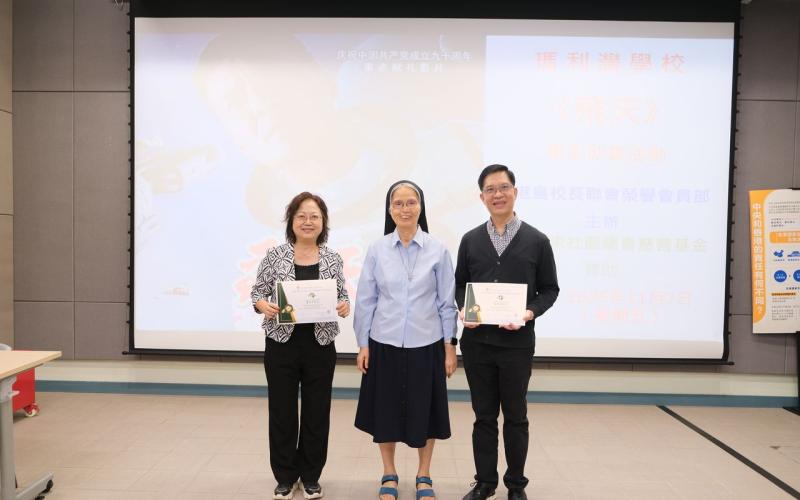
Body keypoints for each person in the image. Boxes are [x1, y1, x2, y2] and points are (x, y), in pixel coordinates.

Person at [455, 165, 560, 500]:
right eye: (490, 189)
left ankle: (516, 485)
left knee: (516, 416)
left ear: (515, 191)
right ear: (481, 197)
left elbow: (550, 289)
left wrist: (529, 313)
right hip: (478, 345)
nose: (497, 194)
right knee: (483, 417)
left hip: (516, 345)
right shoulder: (470, 240)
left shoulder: (537, 240)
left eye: (503, 187)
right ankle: (485, 483)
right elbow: (459, 285)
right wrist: (464, 308)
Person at [354, 180, 458, 500]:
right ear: (389, 210)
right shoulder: (377, 249)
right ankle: (389, 472)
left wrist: (450, 347)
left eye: (411, 202)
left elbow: (447, 302)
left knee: (426, 411)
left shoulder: (438, 250)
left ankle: (423, 474)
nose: (405, 209)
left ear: (420, 207)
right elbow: (366, 299)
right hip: (384, 342)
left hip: (426, 343)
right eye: (397, 203)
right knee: (385, 411)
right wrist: (363, 343)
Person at [251, 192, 350, 500]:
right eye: (301, 216)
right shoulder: (275, 255)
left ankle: (310, 476)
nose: (308, 222)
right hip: (281, 344)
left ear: (323, 222)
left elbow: (342, 295)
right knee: (282, 411)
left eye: (314, 216)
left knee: (317, 413)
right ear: (291, 221)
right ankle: (284, 476)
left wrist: (344, 305)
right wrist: (263, 305)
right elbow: (257, 293)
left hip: (320, 345)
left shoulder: (333, 258)